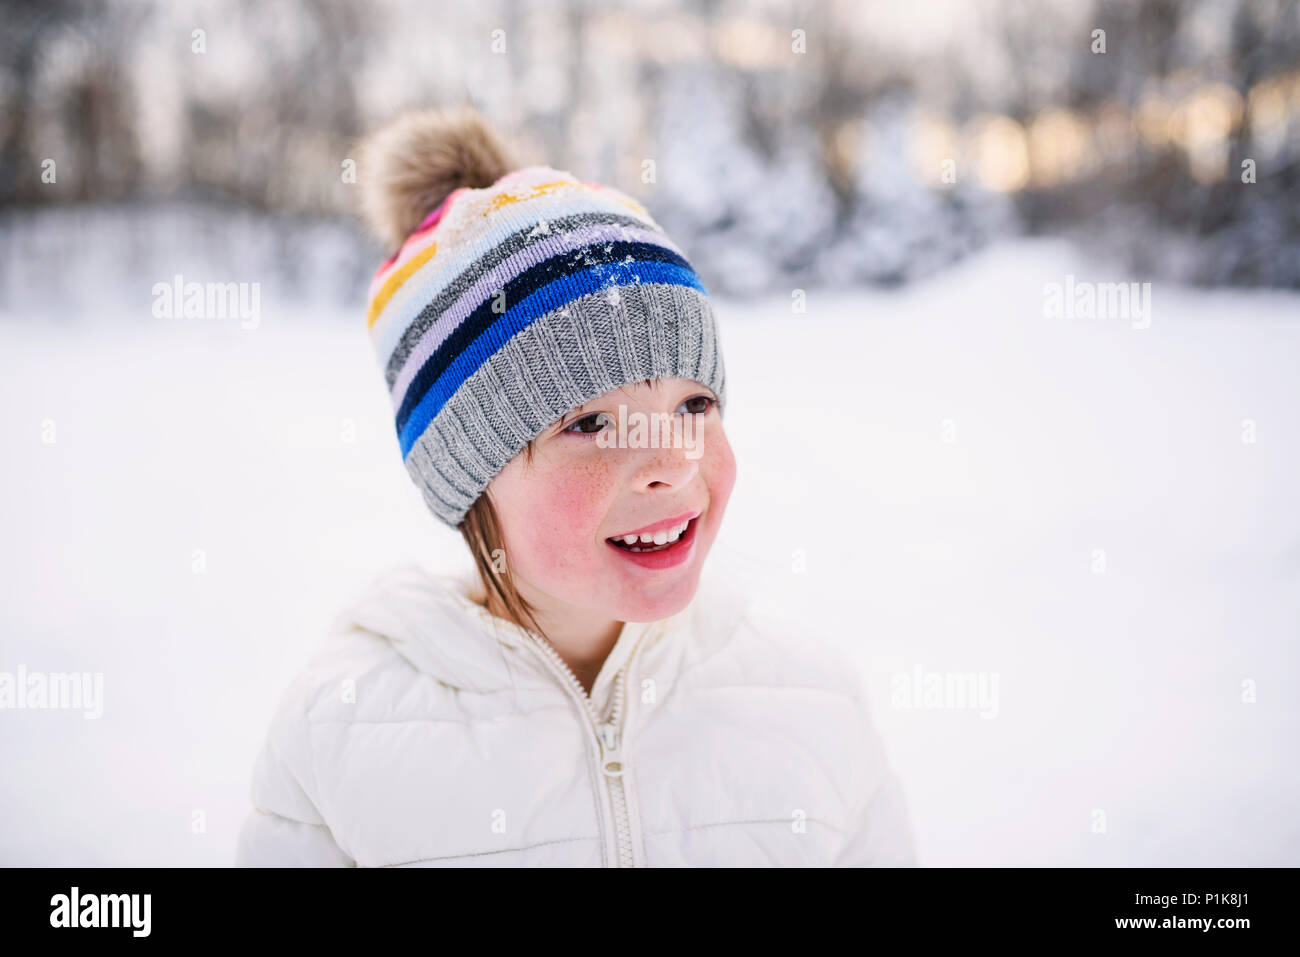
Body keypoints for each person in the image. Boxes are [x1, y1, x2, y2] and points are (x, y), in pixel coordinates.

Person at [234, 105, 917, 867]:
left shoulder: (811, 707)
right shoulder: (340, 738)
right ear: (465, 470)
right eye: (591, 424)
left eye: (694, 404)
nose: (672, 461)